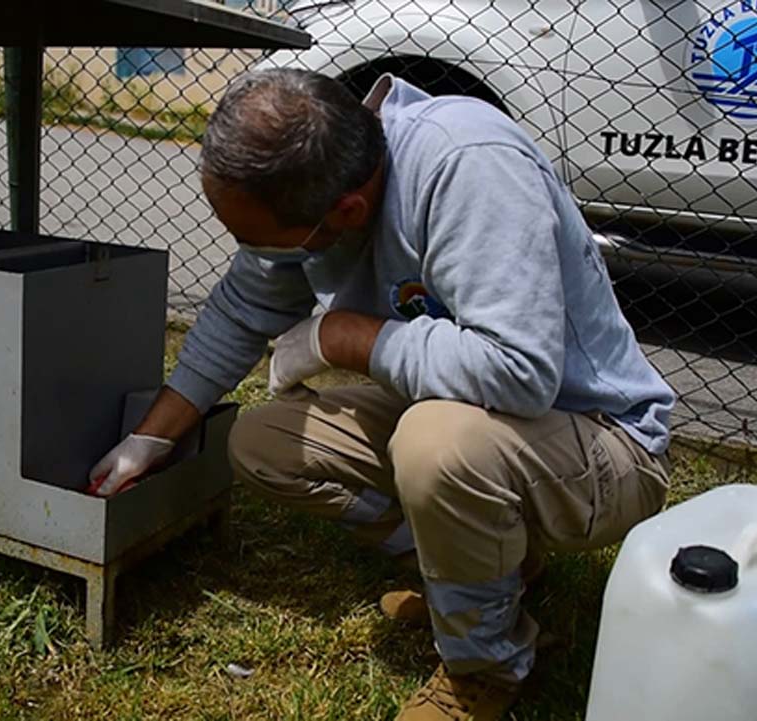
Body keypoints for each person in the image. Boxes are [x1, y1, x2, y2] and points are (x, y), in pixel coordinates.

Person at [88, 68, 675, 721]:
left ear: (347, 213)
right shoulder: (320, 176)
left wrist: (343, 335)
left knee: (437, 446)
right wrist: (151, 438)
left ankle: (483, 665)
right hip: (480, 422)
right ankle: (486, 576)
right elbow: (240, 310)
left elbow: (520, 372)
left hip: (600, 440)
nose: (251, 254)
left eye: (259, 240)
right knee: (262, 442)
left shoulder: (468, 165)